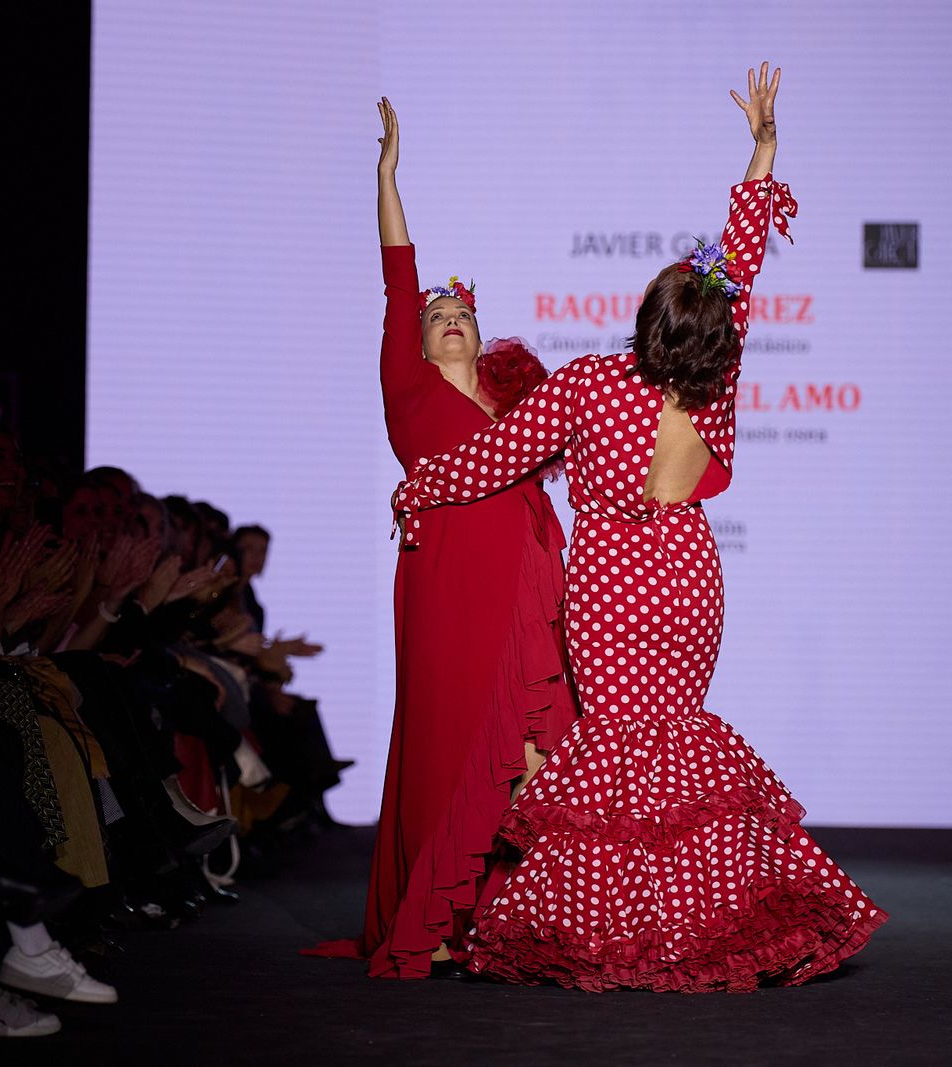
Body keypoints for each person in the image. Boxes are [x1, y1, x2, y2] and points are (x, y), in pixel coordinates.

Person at [392, 64, 886, 991]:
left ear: (644, 321)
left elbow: (495, 457)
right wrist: (763, 152)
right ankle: (697, 926)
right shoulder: (713, 390)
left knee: (615, 752)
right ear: (713, 343)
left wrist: (420, 486)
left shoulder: (587, 383)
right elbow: (733, 279)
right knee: (676, 740)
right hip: (689, 580)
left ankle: (612, 930)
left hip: (613, 585)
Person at [310, 97, 577, 980]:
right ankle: (443, 916)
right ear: (417, 345)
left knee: (538, 754)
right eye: (435, 315)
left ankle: (517, 917)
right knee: (451, 740)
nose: (449, 317)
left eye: (461, 310)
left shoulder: (518, 407)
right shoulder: (411, 394)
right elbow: (397, 275)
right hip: (447, 590)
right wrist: (388, 178)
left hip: (527, 590)